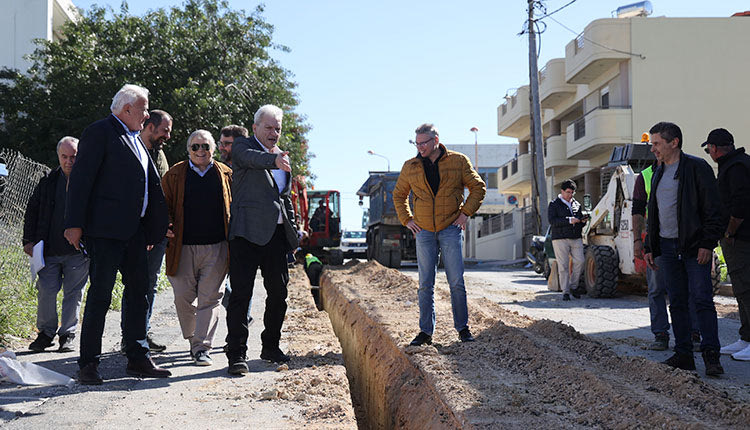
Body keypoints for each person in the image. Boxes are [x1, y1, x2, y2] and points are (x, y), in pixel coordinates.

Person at [64, 84, 170, 384]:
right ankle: (88, 364)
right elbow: (81, 179)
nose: (147, 114)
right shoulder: (100, 132)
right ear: (127, 109)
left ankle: (138, 358)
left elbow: (145, 185)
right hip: (105, 232)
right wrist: (73, 223)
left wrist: (152, 227)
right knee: (100, 295)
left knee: (139, 293)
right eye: (144, 109)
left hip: (135, 233)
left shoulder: (137, 138)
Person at [393, 123, 486, 346]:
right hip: (424, 231)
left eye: (424, 142)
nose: (420, 147)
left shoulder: (458, 161)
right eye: (417, 143)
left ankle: (463, 329)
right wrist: (407, 219)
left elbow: (478, 187)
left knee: (456, 281)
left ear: (436, 140)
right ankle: (425, 332)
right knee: (425, 284)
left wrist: (465, 214)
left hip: (451, 228)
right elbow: (399, 195)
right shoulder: (411, 166)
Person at [643, 121, 724, 376]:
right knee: (676, 302)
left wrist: (707, 243)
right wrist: (649, 245)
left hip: (693, 247)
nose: (652, 148)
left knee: (701, 300)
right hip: (667, 248)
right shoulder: (657, 172)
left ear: (673, 142)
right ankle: (684, 354)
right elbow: (653, 214)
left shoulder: (697, 167)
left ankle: (711, 356)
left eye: (656, 143)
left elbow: (714, 210)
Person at [225, 104, 299, 374]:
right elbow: (253, 159)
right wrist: (274, 160)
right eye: (268, 127)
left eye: (277, 128)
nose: (273, 132)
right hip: (246, 235)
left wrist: (293, 231)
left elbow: (284, 198)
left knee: (279, 294)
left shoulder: (283, 158)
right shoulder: (243, 148)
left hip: (276, 237)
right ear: (255, 127)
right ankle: (236, 354)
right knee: (240, 296)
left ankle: (271, 346)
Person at [162, 130, 232, 366]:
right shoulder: (174, 174)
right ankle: (194, 338)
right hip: (182, 247)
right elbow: (163, 204)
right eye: (195, 147)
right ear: (188, 150)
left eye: (205, 146)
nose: (200, 151)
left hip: (217, 247)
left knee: (210, 298)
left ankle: (202, 347)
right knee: (183, 297)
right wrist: (165, 223)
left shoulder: (225, 174)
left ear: (213, 149)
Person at [22, 137, 89, 353]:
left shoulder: (91, 181)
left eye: (74, 157)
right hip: (48, 249)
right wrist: (28, 240)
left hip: (78, 252)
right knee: (46, 291)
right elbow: (32, 209)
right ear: (58, 156)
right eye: (65, 157)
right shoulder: (48, 181)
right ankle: (46, 333)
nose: (69, 161)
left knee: (74, 294)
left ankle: (67, 334)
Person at [120, 109, 173, 354]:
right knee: (134, 284)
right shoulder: (130, 149)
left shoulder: (159, 154)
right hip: (135, 231)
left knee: (150, 284)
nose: (168, 136)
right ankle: (130, 336)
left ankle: (141, 332)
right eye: (165, 130)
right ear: (150, 126)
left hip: (158, 233)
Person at [633, 161, 701, 351]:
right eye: (653, 146)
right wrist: (637, 240)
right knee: (656, 288)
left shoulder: (689, 170)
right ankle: (661, 334)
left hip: (686, 239)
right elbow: (637, 210)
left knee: (689, 289)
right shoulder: (645, 176)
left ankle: (693, 333)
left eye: (657, 145)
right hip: (657, 240)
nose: (655, 150)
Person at [703, 128, 750, 361]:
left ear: (714, 148)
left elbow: (740, 203)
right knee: (741, 289)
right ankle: (746, 337)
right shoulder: (735, 164)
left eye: (708, 148)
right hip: (737, 238)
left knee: (746, 287)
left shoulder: (737, 167)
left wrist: (730, 231)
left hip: (741, 239)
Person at [217, 124, 252, 329]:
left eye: (227, 144)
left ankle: (240, 328)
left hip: (242, 237)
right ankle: (242, 319)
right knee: (216, 285)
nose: (222, 148)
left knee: (242, 286)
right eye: (221, 143)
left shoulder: (249, 171)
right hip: (220, 237)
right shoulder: (216, 170)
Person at [548, 179, 587, 301]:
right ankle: (565, 291)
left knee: (580, 261)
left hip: (576, 237)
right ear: (562, 191)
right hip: (560, 238)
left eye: (572, 193)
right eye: (568, 192)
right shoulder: (554, 204)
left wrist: (582, 221)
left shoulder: (577, 204)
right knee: (563, 265)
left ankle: (573, 286)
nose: (570, 195)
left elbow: (579, 221)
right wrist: (569, 220)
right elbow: (552, 221)